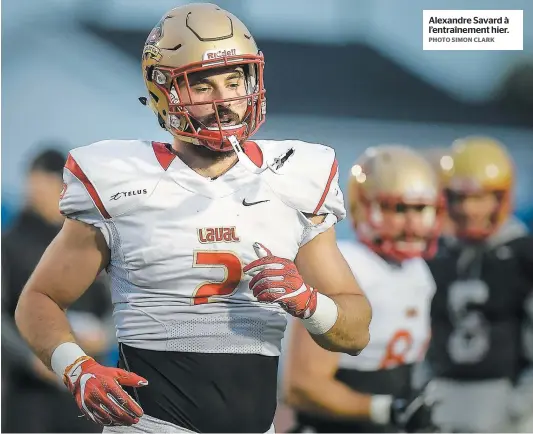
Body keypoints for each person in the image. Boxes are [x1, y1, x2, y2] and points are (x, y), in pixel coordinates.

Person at [14, 4, 372, 433]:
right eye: (202, 86)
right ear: (164, 92)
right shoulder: (120, 180)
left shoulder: (294, 178)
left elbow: (356, 332)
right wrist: (76, 367)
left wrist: (312, 305)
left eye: (235, 80)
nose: (225, 101)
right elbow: (40, 300)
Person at [283, 145, 443, 433]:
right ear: (364, 207)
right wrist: (383, 409)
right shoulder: (348, 268)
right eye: (397, 208)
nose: (413, 222)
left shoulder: (419, 271)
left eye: (421, 209)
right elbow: (303, 386)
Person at [425, 136, 533, 432]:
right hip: (442, 388)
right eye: (458, 197)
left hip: (504, 392)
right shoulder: (437, 253)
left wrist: (524, 400)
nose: (468, 209)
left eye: (479, 197)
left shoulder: (522, 254)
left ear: (502, 198)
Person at [2, 147, 111, 433]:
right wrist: (30, 360)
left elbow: (118, 303)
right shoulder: (9, 244)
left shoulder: (88, 241)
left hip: (86, 388)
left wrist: (106, 336)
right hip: (30, 393)